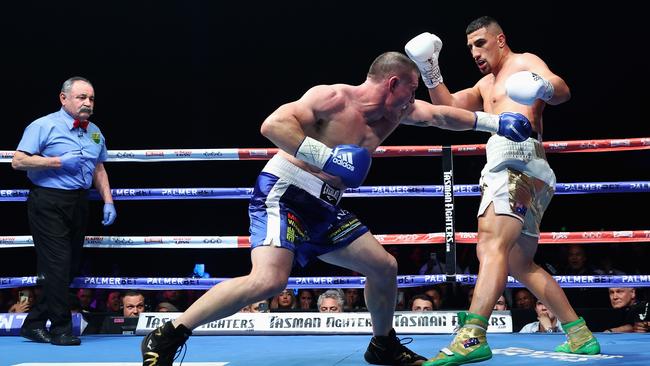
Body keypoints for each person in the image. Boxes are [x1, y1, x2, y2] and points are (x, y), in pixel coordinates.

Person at [140, 51, 532, 366]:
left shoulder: (397, 111)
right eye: (411, 89)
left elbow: (441, 115)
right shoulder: (332, 97)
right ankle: (170, 332)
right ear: (392, 83)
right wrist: (326, 157)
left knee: (384, 267)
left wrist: (494, 123)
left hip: (325, 207)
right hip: (287, 191)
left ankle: (383, 346)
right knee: (268, 281)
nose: (414, 100)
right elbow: (273, 125)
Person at [404, 16, 600, 365]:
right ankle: (580, 335)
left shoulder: (523, 62)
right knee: (519, 262)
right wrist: (430, 69)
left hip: (516, 161)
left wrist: (542, 86)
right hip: (526, 169)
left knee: (490, 244)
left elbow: (562, 90)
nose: (475, 52)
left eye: (480, 43)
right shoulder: (484, 86)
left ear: (500, 39)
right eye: (469, 48)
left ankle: (473, 335)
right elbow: (446, 108)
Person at [12, 76, 116, 346]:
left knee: (68, 267)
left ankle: (34, 323)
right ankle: (61, 329)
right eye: (82, 97)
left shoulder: (94, 131)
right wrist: (57, 161)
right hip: (48, 201)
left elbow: (99, 168)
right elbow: (18, 160)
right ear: (64, 98)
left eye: (91, 98)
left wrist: (108, 201)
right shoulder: (44, 125)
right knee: (57, 264)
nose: (87, 103)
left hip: (80, 202)